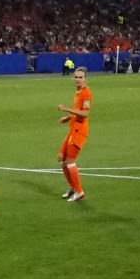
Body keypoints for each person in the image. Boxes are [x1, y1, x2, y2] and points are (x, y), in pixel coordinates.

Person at [57, 67, 92, 202]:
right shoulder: (78, 92)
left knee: (70, 161)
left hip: (79, 131)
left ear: (85, 78)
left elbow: (85, 113)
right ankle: (72, 187)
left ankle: (79, 191)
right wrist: (68, 118)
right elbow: (78, 112)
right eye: (76, 77)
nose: (77, 79)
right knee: (61, 158)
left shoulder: (86, 93)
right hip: (73, 129)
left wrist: (66, 109)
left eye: (80, 77)